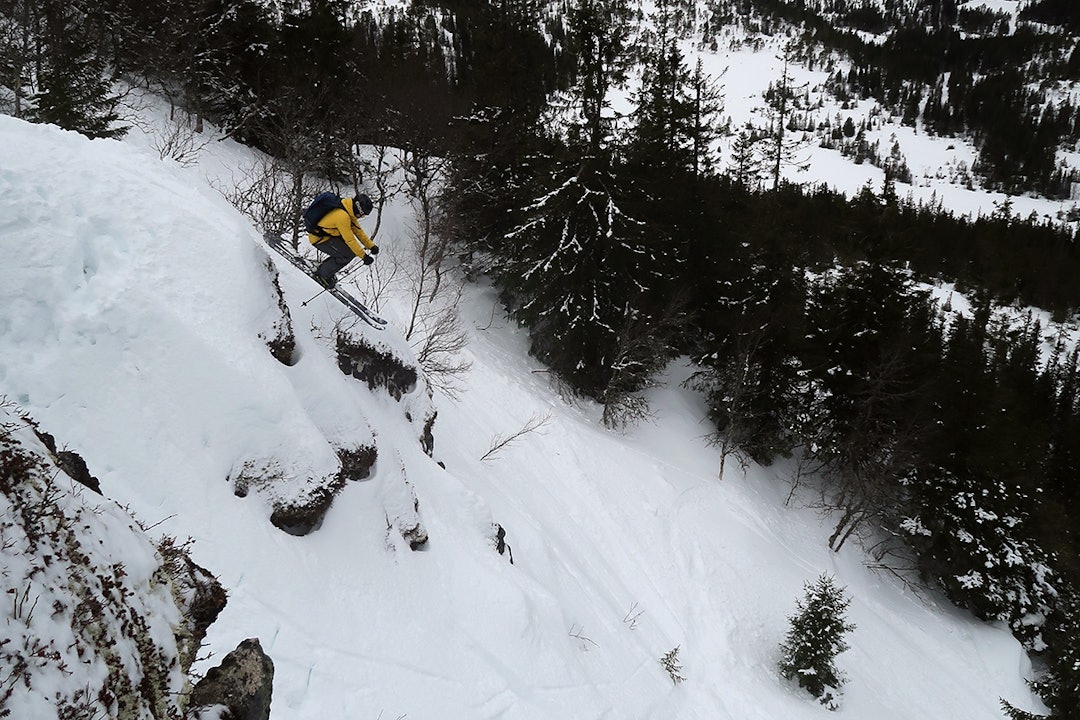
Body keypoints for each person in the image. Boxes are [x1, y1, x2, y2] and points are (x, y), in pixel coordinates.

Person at [309, 193, 379, 288]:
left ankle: (326, 271)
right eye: (362, 215)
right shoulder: (343, 216)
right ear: (358, 209)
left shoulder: (347, 210)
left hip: (328, 236)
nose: (361, 217)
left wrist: (371, 246)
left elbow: (358, 232)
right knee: (347, 255)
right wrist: (364, 257)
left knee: (348, 253)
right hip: (319, 239)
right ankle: (322, 274)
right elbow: (350, 240)